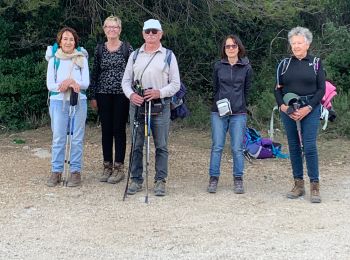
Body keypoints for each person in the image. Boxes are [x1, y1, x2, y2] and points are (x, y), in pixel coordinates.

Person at [122, 19, 180, 196]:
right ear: (143, 34)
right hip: (138, 106)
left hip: (160, 106)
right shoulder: (135, 55)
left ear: (161, 34)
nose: (151, 35)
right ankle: (136, 179)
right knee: (137, 144)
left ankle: (160, 181)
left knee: (161, 145)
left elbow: (176, 84)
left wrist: (159, 93)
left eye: (154, 32)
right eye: (147, 32)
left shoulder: (169, 55)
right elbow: (125, 81)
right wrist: (132, 95)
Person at [274, 26, 325, 203]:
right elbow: (277, 89)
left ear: (307, 44)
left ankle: (315, 185)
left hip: (310, 108)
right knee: (294, 146)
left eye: (299, 43)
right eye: (293, 43)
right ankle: (298, 184)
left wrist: (308, 108)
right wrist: (282, 106)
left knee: (309, 146)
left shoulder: (317, 63)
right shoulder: (284, 65)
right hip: (289, 110)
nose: (296, 46)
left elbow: (321, 90)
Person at [89, 16, 133, 184]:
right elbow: (95, 73)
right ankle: (107, 166)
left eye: (115, 27)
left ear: (120, 29)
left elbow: (133, 73)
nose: (112, 29)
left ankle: (119, 167)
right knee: (106, 130)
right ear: (104, 29)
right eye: (109, 26)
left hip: (122, 94)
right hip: (103, 94)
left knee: (119, 130)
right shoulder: (99, 49)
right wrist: (93, 95)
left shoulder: (127, 48)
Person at [208, 35, 253, 194]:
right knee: (217, 146)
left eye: (234, 46)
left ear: (239, 48)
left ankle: (238, 179)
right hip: (219, 112)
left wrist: (240, 104)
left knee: (237, 148)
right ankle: (213, 178)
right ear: (224, 49)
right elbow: (215, 87)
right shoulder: (218, 66)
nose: (231, 49)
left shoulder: (246, 67)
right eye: (228, 46)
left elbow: (247, 90)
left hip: (238, 112)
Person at [45, 27, 90, 187]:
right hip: (58, 102)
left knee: (77, 138)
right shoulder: (54, 59)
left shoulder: (81, 59)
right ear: (60, 41)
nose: (68, 42)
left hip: (79, 100)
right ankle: (56, 171)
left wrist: (73, 83)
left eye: (71, 39)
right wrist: (63, 85)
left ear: (75, 42)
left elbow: (86, 82)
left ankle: (75, 172)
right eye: (65, 39)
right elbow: (50, 84)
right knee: (58, 137)